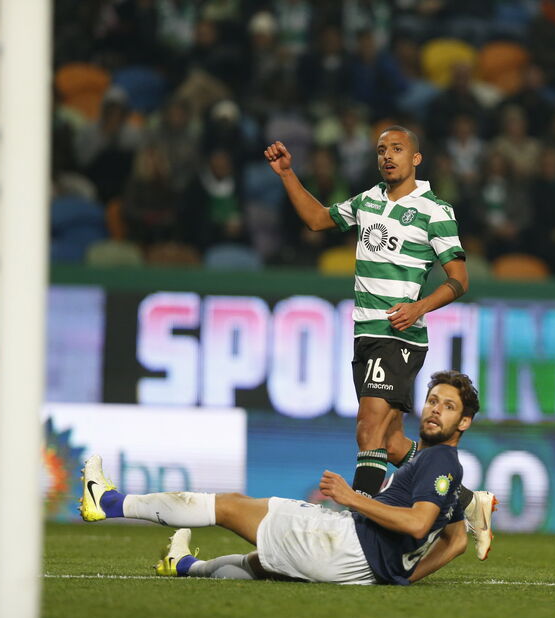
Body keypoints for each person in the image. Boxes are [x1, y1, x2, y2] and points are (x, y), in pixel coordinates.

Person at [263, 126, 496, 559]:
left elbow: (459, 279)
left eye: (397, 149)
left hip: (399, 335)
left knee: (368, 426)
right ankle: (468, 503)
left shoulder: (434, 210)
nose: (387, 156)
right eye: (381, 150)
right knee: (386, 444)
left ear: (416, 159)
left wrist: (420, 307)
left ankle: (355, 533)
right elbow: (317, 220)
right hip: (366, 337)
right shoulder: (366, 202)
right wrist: (287, 174)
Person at [80, 371, 478, 585]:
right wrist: (401, 577)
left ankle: (108, 502)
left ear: (463, 421)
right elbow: (456, 541)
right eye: (432, 401)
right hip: (361, 565)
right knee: (263, 564)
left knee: (232, 505)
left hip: (347, 546)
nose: (434, 410)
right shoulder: (445, 469)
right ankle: (182, 566)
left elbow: (418, 523)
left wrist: (350, 496)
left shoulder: (439, 462)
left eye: (448, 406)